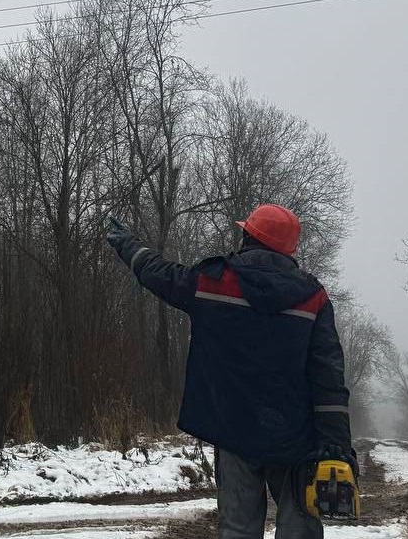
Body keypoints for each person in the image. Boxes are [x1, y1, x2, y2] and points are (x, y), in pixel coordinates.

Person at [105, 204, 355, 539]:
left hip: (234, 430)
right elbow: (328, 377)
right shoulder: (313, 298)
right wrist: (336, 444)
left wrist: (127, 244)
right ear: (289, 248)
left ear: (247, 236)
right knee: (300, 529)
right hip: (297, 437)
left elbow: (160, 273)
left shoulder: (213, 282)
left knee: (237, 530)